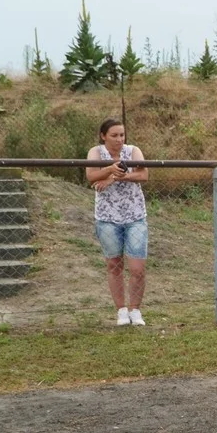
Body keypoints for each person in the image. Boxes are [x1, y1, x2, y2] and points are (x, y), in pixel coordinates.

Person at [86, 118, 150, 326]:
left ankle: (136, 310)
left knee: (137, 267)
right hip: (107, 217)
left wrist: (114, 178)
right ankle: (121, 310)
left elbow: (143, 174)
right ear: (103, 136)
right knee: (114, 264)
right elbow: (91, 175)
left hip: (135, 216)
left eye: (122, 135)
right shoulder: (96, 153)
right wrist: (110, 169)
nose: (119, 139)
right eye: (114, 135)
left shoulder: (133, 151)